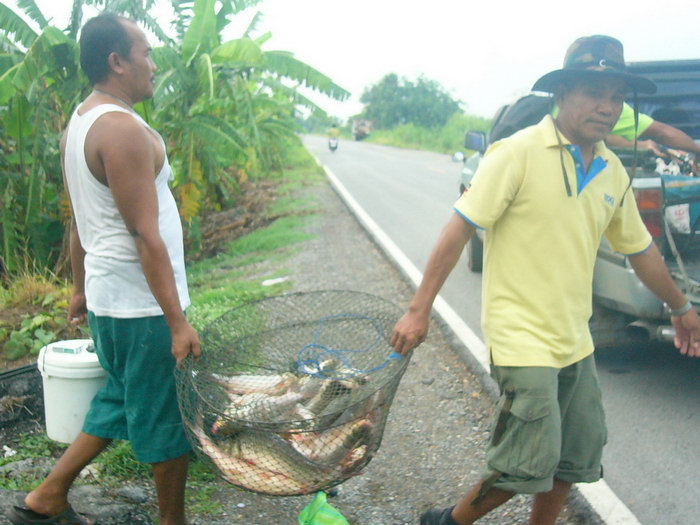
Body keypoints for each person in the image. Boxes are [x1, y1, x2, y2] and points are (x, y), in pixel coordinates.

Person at [390, 35, 700, 525]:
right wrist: (418, 307)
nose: (606, 106)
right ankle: (446, 523)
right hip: (521, 339)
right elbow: (459, 228)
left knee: (572, 459)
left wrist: (683, 309)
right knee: (521, 466)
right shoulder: (517, 153)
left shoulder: (611, 169)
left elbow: (640, 249)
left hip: (575, 340)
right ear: (561, 94)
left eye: (616, 96)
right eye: (592, 92)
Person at [7, 14, 200, 525]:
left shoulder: (83, 120)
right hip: (143, 307)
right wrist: (176, 320)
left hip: (112, 297)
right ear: (117, 61)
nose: (154, 65)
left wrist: (79, 288)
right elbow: (144, 234)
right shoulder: (119, 129)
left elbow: (78, 220)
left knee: (118, 395)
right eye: (146, 53)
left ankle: (48, 495)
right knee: (165, 416)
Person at [607, 102, 700, 157]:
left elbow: (603, 137)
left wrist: (644, 145)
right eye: (594, 93)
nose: (604, 109)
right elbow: (661, 132)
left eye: (617, 96)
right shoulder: (612, 107)